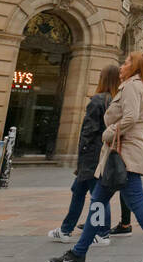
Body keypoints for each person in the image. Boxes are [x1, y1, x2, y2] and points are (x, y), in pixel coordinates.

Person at [49, 51, 143, 262]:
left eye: (126, 62)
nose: (122, 66)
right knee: (97, 201)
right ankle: (78, 253)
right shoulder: (132, 86)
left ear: (134, 66)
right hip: (117, 152)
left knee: (136, 201)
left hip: (125, 154)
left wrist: (109, 132)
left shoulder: (133, 86)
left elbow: (131, 117)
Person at [49, 64, 120, 244]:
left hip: (91, 156)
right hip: (103, 153)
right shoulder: (114, 101)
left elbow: (88, 132)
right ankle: (66, 229)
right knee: (78, 191)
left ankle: (102, 233)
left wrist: (81, 158)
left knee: (98, 195)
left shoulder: (97, 101)